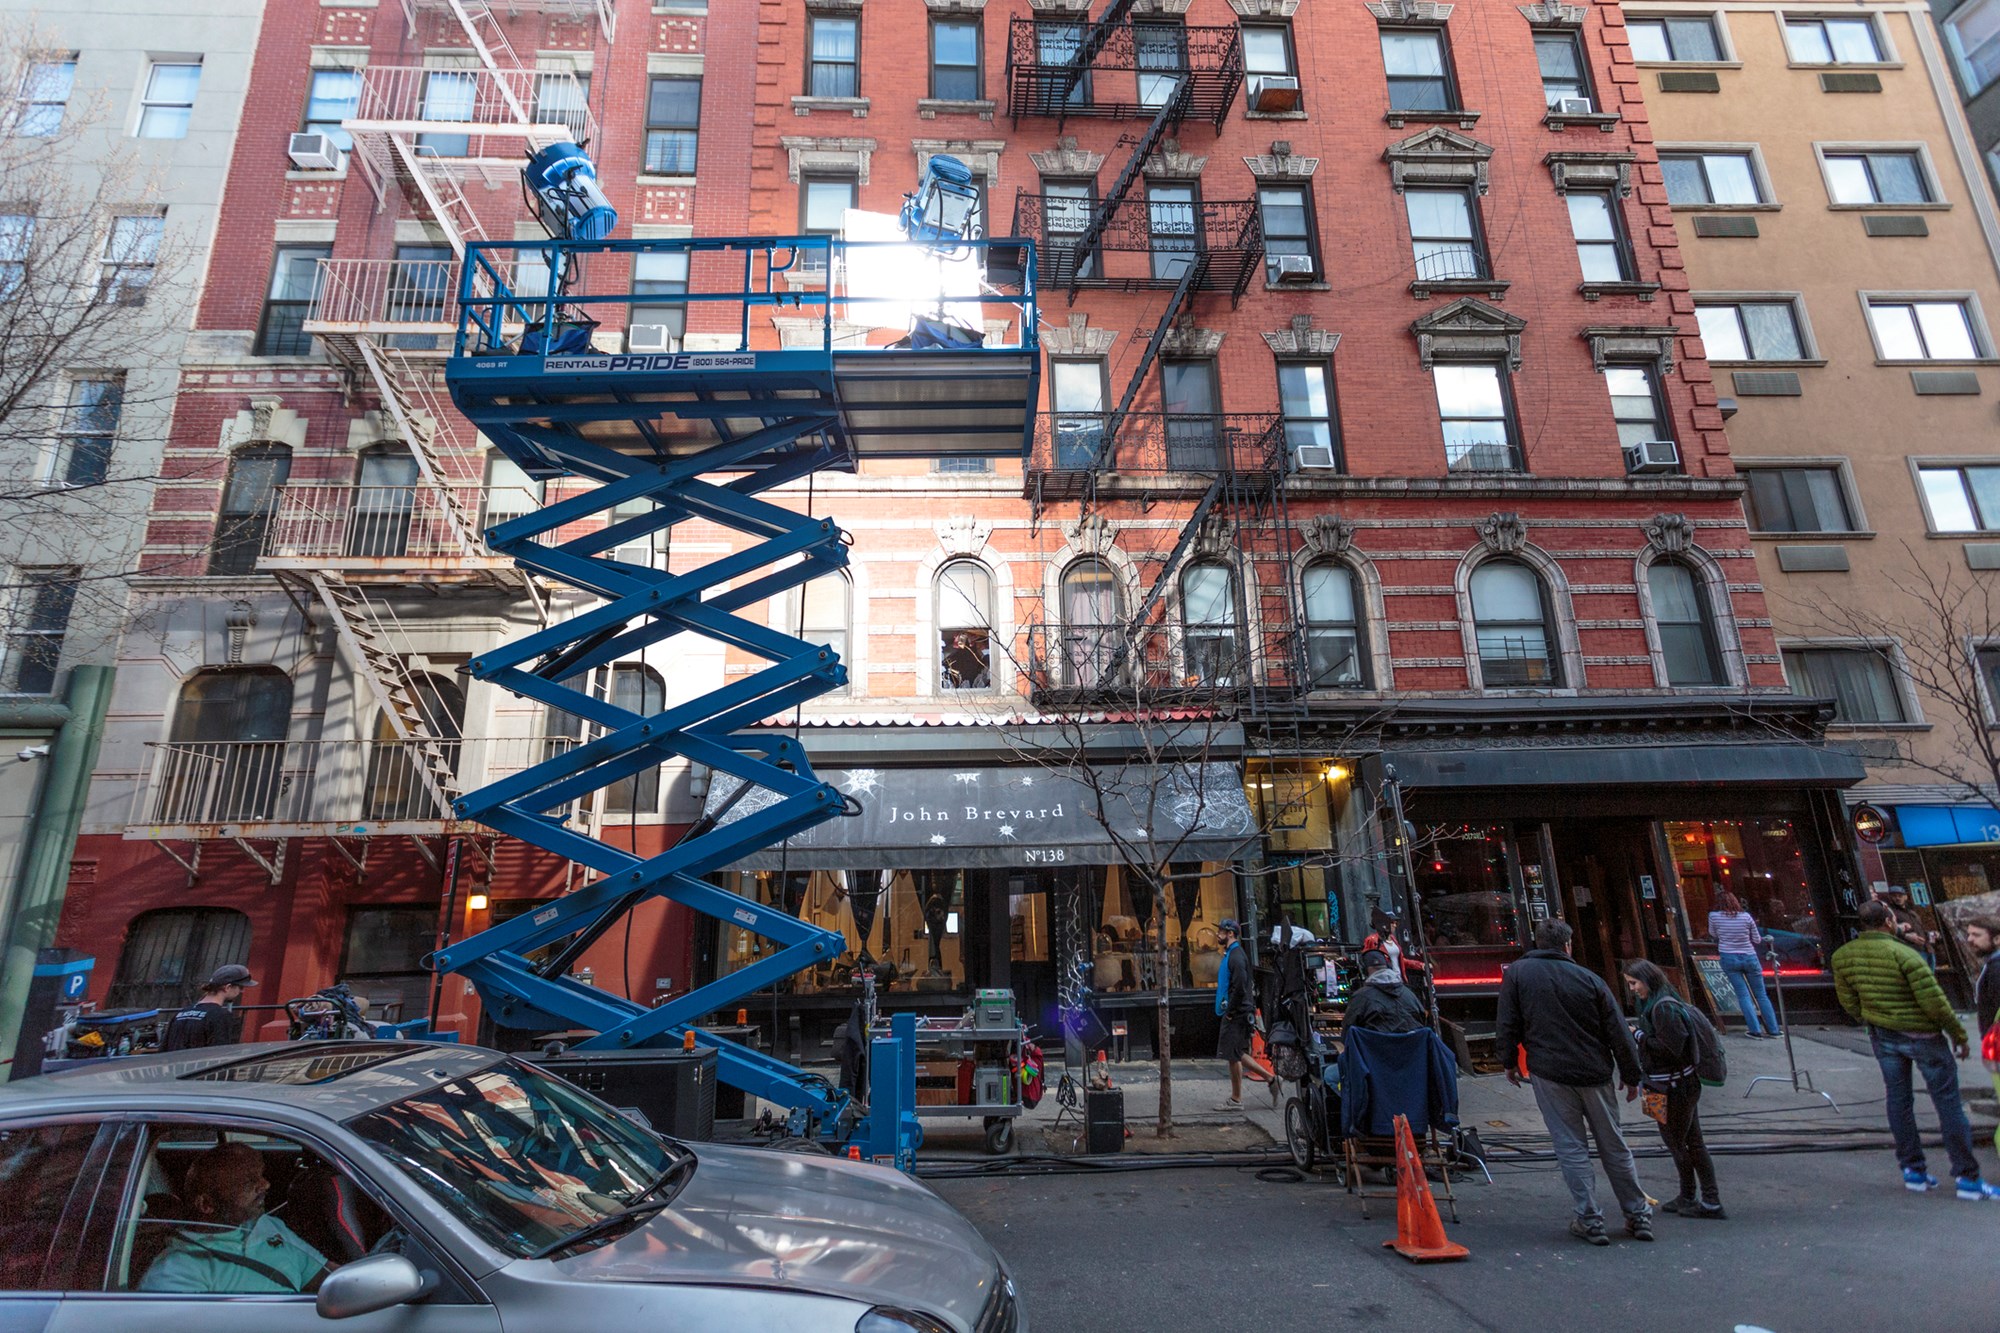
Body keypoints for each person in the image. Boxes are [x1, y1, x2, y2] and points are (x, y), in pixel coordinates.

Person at [1495, 919, 1654, 1245]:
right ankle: (1637, 1214)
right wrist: (1631, 1073)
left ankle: (1589, 1217)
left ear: (1538, 944)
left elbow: (1508, 1021)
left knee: (1571, 1146)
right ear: (1568, 945)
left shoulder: (1518, 975)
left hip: (1549, 1071)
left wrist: (1509, 1061)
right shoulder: (1590, 979)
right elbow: (1618, 1031)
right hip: (1594, 1071)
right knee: (1613, 1144)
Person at [1832, 901, 1998, 1200]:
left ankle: (1913, 1170)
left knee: (1898, 1099)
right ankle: (1967, 1177)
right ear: (1888, 922)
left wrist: (1869, 1017)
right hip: (1923, 1035)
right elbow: (1934, 1001)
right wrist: (1957, 1034)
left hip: (1884, 1035)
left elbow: (1848, 1001)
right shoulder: (1904, 954)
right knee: (1948, 1103)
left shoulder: (1843, 957)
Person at [139, 1142, 331, 1293]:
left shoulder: (267, 1226)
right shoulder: (178, 1271)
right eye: (249, 1182)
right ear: (207, 1205)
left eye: (260, 1175)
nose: (265, 1184)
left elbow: (329, 1278)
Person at [1622, 959, 1725, 1220]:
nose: (1633, 989)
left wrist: (1638, 1036)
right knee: (1685, 1141)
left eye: (1634, 983)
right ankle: (1690, 1196)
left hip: (1671, 1086)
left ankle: (1706, 1199)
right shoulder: (1656, 1003)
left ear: (1648, 980)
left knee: (1680, 1143)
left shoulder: (1661, 1008)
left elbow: (1671, 1048)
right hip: (1661, 1084)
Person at [1706, 891, 1780, 1038]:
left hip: (1729, 957)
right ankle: (1773, 1030)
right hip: (1749, 956)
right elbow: (1757, 939)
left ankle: (1755, 1030)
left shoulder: (1713, 916)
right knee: (1761, 995)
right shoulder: (1746, 917)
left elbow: (1713, 934)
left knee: (1743, 995)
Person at [1956, 915, 1999, 1156]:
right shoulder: (1992, 966)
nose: (1970, 940)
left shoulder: (1997, 969)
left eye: (1976, 935)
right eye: (1969, 934)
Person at [161, 964, 255, 1052]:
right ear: (228, 987)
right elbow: (220, 1053)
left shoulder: (181, 1013)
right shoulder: (221, 1016)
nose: (242, 991)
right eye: (241, 987)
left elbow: (163, 1049)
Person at [1213, 919, 1254, 1112]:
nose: (1218, 934)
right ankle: (1271, 1079)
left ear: (1230, 934)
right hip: (1235, 1011)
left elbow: (1239, 987)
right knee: (1236, 1053)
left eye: (1221, 931)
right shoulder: (1232, 954)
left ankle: (1237, 1099)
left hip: (1236, 1013)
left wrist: (1230, 1012)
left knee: (1233, 1055)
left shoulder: (1236, 956)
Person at [1342, 947, 1427, 1035]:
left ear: (1363, 970)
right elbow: (1422, 1022)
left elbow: (1348, 1033)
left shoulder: (1360, 997)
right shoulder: (1410, 995)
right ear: (1388, 966)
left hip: (1375, 1048)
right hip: (1412, 1047)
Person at [1877, 886, 1939, 965]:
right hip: (1910, 951)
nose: (1898, 898)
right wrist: (1906, 936)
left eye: (1900, 896)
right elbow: (1890, 931)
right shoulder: (1891, 913)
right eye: (1894, 896)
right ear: (1890, 897)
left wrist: (1932, 934)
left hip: (1927, 949)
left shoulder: (1912, 913)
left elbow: (1920, 929)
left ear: (1905, 897)